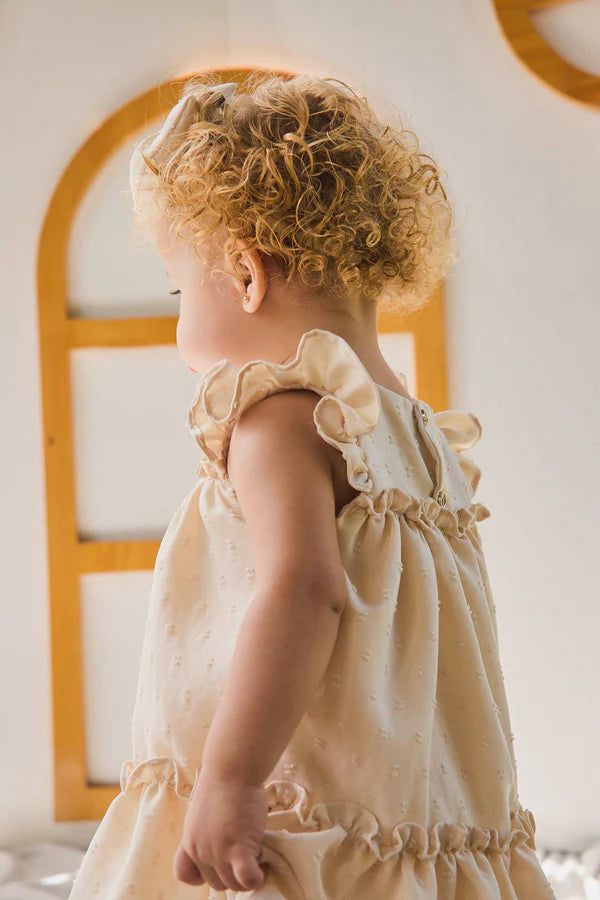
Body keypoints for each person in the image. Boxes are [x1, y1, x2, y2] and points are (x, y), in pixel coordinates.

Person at [69, 71, 556, 899]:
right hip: (412, 822)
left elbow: (304, 590)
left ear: (247, 273)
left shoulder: (281, 413)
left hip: (296, 820)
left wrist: (230, 777)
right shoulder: (420, 439)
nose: (182, 323)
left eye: (181, 291)